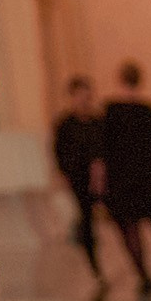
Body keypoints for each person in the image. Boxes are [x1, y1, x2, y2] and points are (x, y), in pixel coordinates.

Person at [97, 61, 151, 292]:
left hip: (121, 179)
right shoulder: (147, 110)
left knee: (130, 229)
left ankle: (143, 274)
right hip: (144, 178)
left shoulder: (111, 110)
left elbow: (103, 149)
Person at [51, 74, 103, 275]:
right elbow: (59, 152)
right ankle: (94, 266)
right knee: (86, 218)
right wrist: (64, 174)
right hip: (79, 177)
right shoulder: (65, 124)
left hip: (99, 177)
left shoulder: (97, 120)